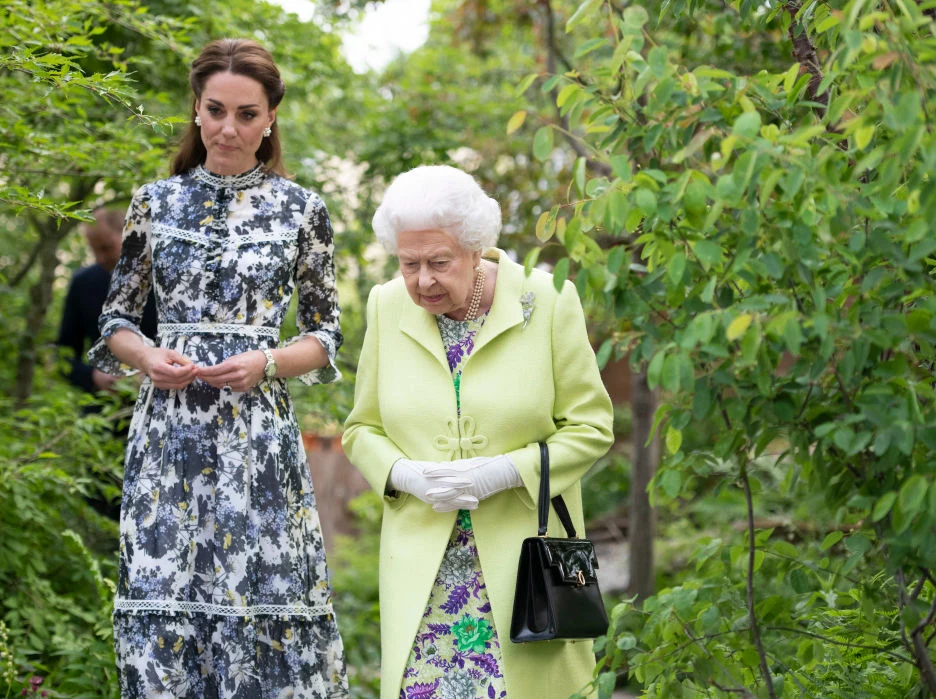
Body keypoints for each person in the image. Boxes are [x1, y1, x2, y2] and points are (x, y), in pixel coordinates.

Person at [87, 38, 348, 697]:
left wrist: (266, 360)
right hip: (169, 439)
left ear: (270, 119)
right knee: (166, 606)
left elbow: (324, 335)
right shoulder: (153, 203)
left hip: (258, 442)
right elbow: (115, 320)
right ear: (196, 111)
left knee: (265, 607)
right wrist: (147, 354)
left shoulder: (303, 210)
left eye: (247, 114)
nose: (230, 127)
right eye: (216, 110)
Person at [342, 165, 614, 699]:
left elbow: (591, 426)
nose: (422, 280)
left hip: (526, 568)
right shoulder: (385, 304)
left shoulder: (549, 300)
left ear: (476, 249)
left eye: (438, 262)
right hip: (425, 568)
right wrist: (403, 474)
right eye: (408, 263)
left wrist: (505, 471)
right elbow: (361, 429)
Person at [56, 208, 156, 395]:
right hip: (101, 410)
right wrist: (93, 376)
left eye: (106, 248)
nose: (99, 258)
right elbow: (64, 354)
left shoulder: (164, 281)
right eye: (94, 249)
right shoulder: (83, 284)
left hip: (161, 402)